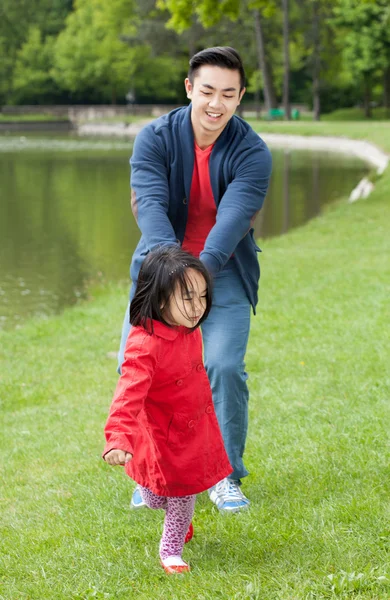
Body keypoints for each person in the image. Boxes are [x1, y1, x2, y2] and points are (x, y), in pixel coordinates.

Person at [119, 46, 272, 513]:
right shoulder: (154, 139)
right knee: (142, 372)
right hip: (159, 273)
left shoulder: (252, 153)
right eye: (207, 91)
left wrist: (197, 279)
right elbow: (148, 203)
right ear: (189, 89)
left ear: (241, 96)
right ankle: (153, 478)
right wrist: (171, 274)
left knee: (223, 367)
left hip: (220, 272)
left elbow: (232, 223)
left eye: (228, 94)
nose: (215, 103)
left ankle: (224, 475)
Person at [103, 247, 232, 574]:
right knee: (158, 496)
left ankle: (171, 550)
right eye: (188, 298)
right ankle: (151, 492)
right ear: (161, 300)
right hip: (163, 434)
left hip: (195, 429)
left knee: (184, 493)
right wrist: (118, 438)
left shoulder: (190, 328)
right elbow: (128, 393)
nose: (198, 307)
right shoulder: (145, 344)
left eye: (202, 296)